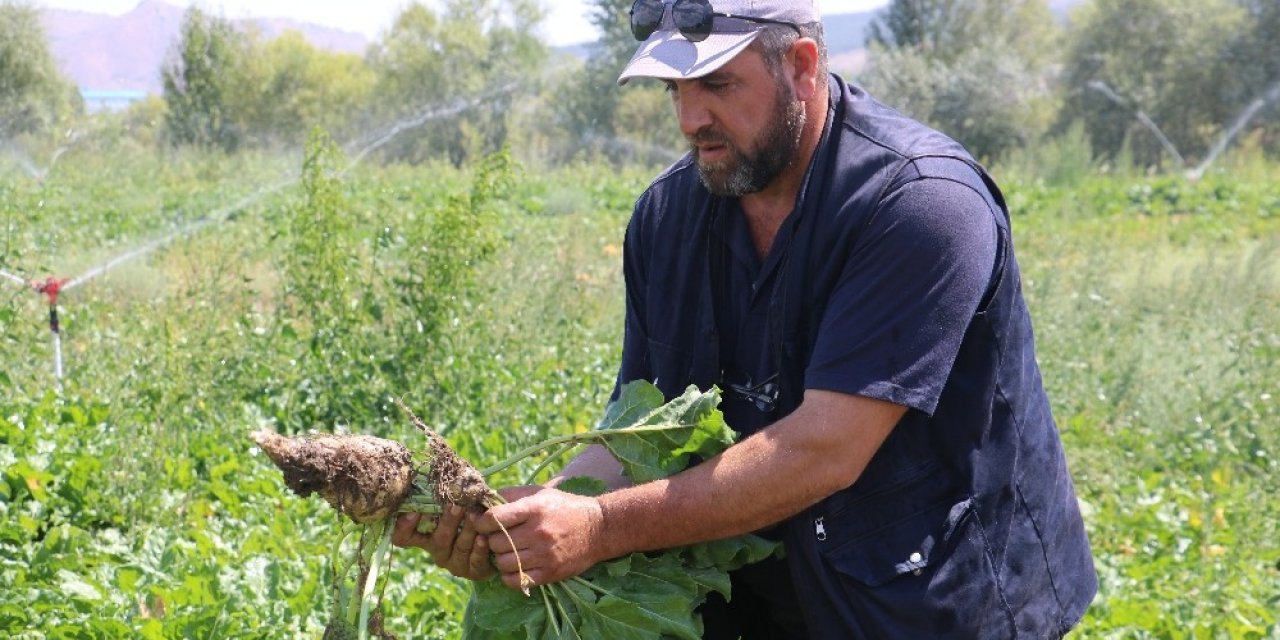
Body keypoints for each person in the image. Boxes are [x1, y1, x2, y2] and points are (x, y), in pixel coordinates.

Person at [393, 0, 1098, 636]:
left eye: (718, 85)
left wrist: (601, 525)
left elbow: (823, 449)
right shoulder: (668, 217)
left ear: (802, 65)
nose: (689, 119)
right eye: (677, 89)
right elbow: (641, 427)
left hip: (930, 600)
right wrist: (536, 518)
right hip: (759, 598)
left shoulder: (920, 204)